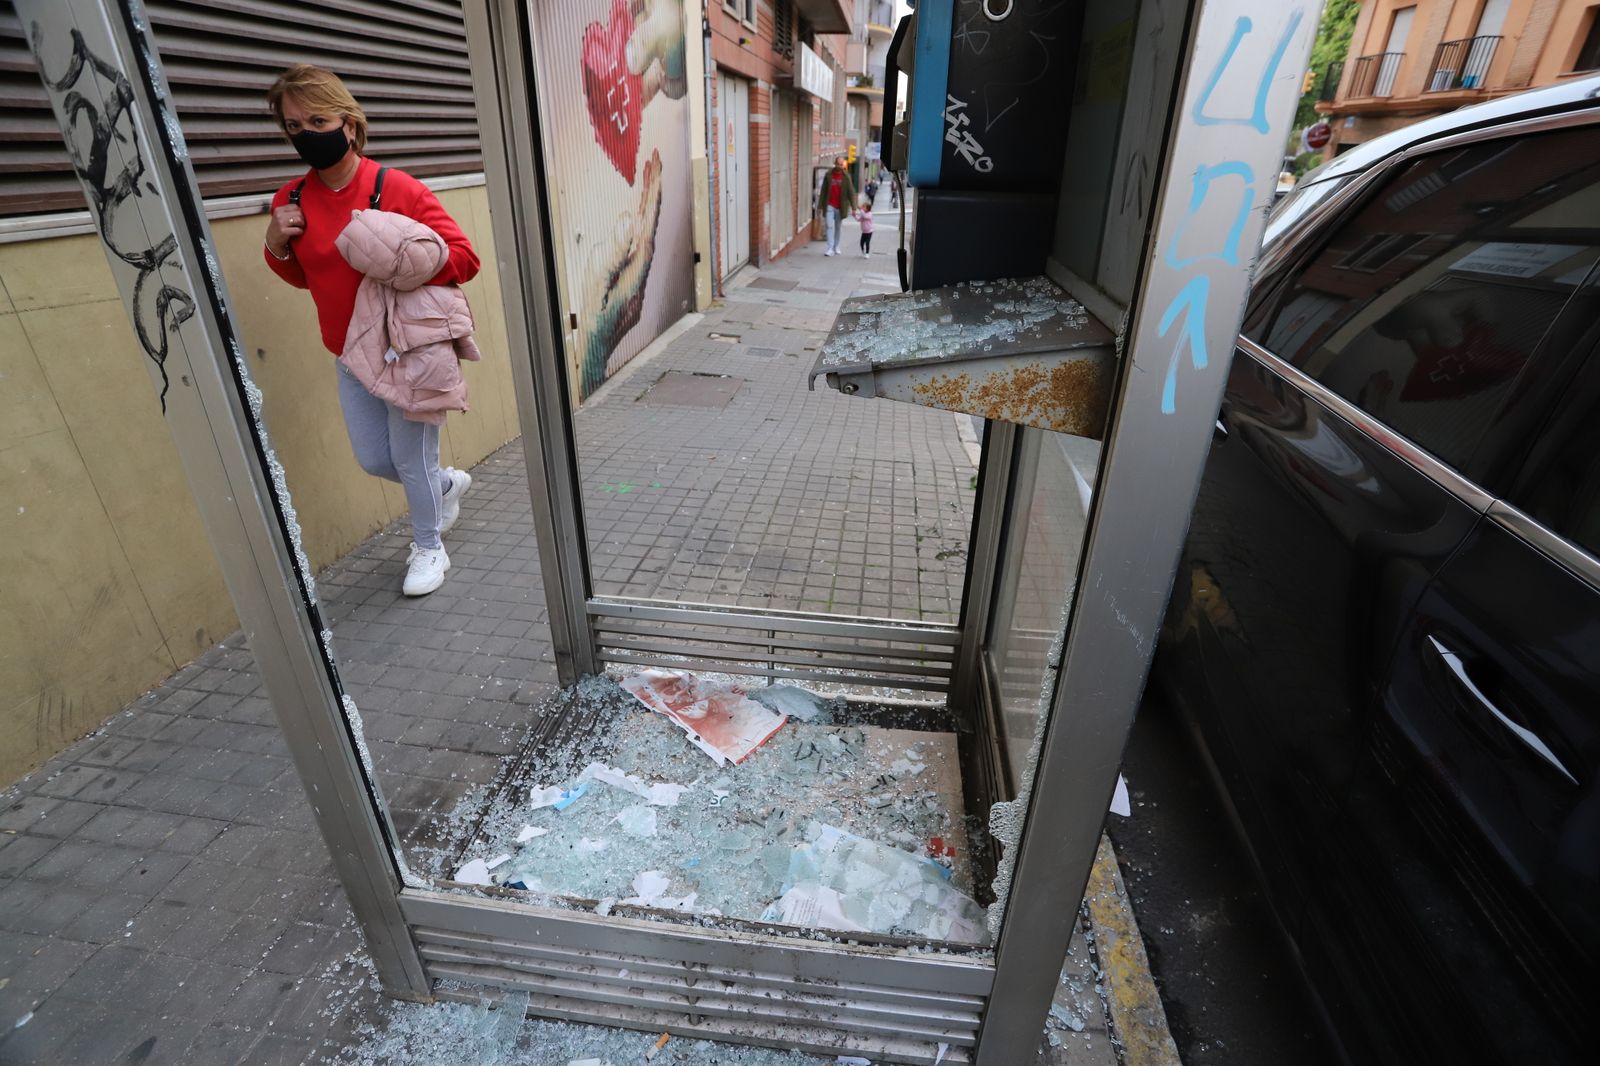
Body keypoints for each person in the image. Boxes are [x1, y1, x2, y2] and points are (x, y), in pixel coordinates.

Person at [263, 63, 481, 597]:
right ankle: (444, 485)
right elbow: (304, 277)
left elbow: (464, 257)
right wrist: (275, 243)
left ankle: (429, 546)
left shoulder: (395, 188)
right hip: (349, 353)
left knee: (410, 459)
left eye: (318, 121)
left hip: (407, 352)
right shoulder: (291, 200)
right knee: (376, 459)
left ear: (349, 124)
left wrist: (403, 260)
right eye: (294, 126)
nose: (306, 134)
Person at [815, 156, 856, 257]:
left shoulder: (846, 177)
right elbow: (823, 191)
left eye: (841, 165)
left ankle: (836, 246)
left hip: (840, 207)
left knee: (837, 227)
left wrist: (854, 207)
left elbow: (851, 192)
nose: (839, 166)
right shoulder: (828, 175)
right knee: (829, 226)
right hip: (829, 205)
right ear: (835, 164)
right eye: (838, 164)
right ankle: (830, 248)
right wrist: (819, 206)